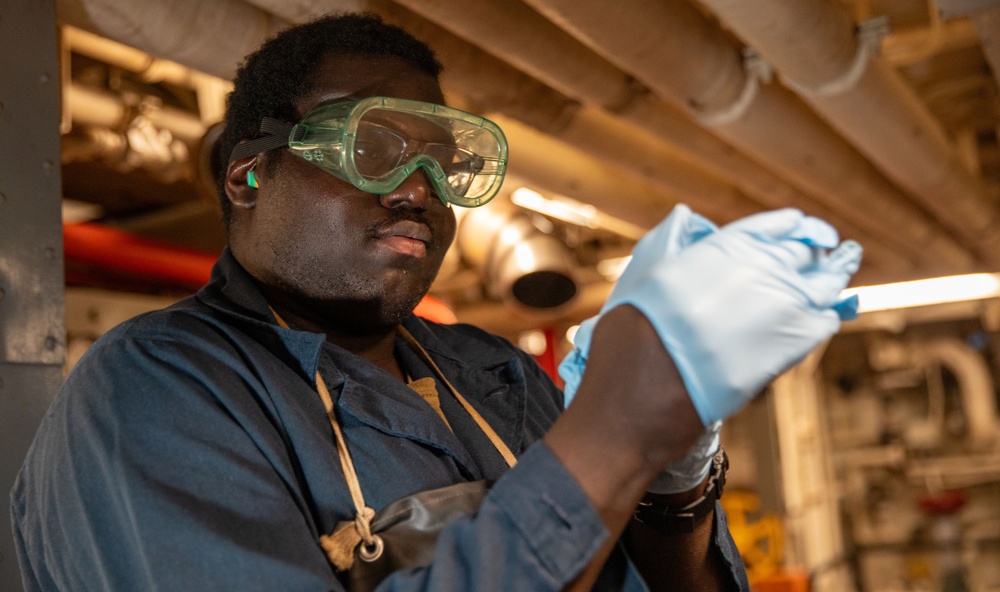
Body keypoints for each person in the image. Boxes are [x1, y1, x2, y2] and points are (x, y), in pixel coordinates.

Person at [10, 13, 861, 592]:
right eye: (373, 147)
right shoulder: (154, 394)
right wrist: (613, 432)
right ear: (250, 174)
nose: (417, 189)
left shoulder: (490, 374)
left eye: (439, 162)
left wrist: (673, 473)